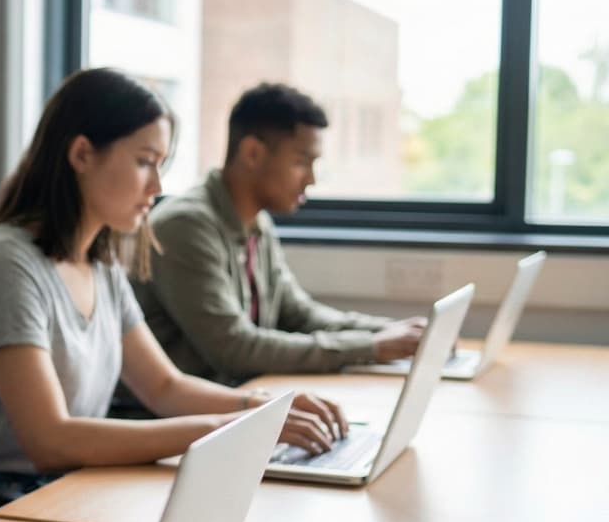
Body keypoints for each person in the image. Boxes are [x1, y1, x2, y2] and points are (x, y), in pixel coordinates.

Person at [0, 69, 347, 522]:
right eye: (144, 162)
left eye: (162, 165)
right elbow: (49, 439)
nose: (156, 187)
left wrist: (263, 407)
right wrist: (228, 431)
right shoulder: (6, 263)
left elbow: (165, 387)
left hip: (66, 488)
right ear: (82, 154)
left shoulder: (102, 263)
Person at [133, 82, 424, 384]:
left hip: (239, 401)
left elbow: (299, 315)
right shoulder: (184, 226)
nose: (311, 179)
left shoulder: (257, 225)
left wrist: (393, 333)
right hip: (176, 419)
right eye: (301, 162)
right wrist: (371, 347)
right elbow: (235, 349)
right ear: (253, 152)